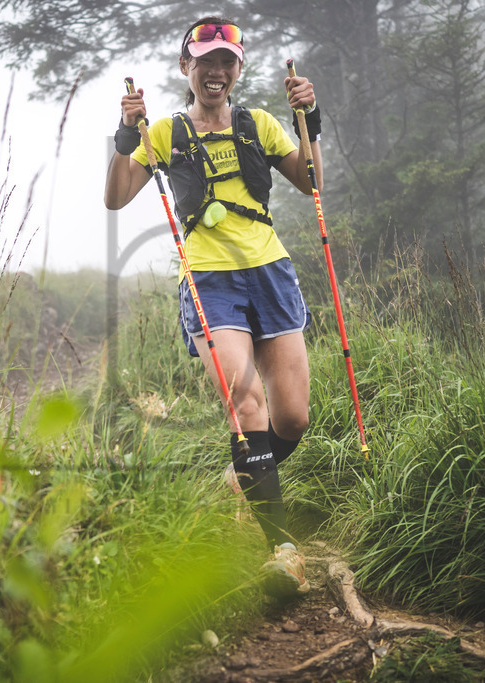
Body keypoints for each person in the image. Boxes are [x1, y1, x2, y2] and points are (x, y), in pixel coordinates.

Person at [104, 16, 324, 597]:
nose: (216, 71)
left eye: (226, 61)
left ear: (238, 68)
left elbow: (312, 183)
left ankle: (242, 473)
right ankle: (282, 550)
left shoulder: (261, 125)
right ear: (187, 69)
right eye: (205, 62)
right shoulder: (168, 132)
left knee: (293, 418)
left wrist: (311, 123)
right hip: (209, 279)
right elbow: (116, 196)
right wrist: (126, 137)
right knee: (246, 402)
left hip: (270, 271)